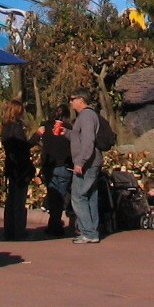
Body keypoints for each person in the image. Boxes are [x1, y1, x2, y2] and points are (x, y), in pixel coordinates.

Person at [67, 91, 102, 244]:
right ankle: (91, 231)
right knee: (90, 197)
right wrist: (67, 133)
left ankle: (88, 232)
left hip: (86, 164)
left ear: (81, 100)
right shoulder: (88, 116)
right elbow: (80, 137)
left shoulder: (86, 116)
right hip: (91, 162)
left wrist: (80, 162)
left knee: (78, 196)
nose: (70, 102)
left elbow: (88, 141)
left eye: (72, 99)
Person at [0, 99, 33, 241]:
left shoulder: (5, 127)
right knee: (19, 200)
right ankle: (19, 230)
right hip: (20, 167)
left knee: (11, 200)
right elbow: (23, 147)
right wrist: (36, 138)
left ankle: (9, 229)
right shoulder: (16, 128)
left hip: (10, 165)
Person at [36, 107, 72, 237]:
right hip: (64, 165)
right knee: (60, 197)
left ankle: (53, 224)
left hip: (49, 166)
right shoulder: (68, 128)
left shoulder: (45, 126)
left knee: (52, 196)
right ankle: (55, 225)